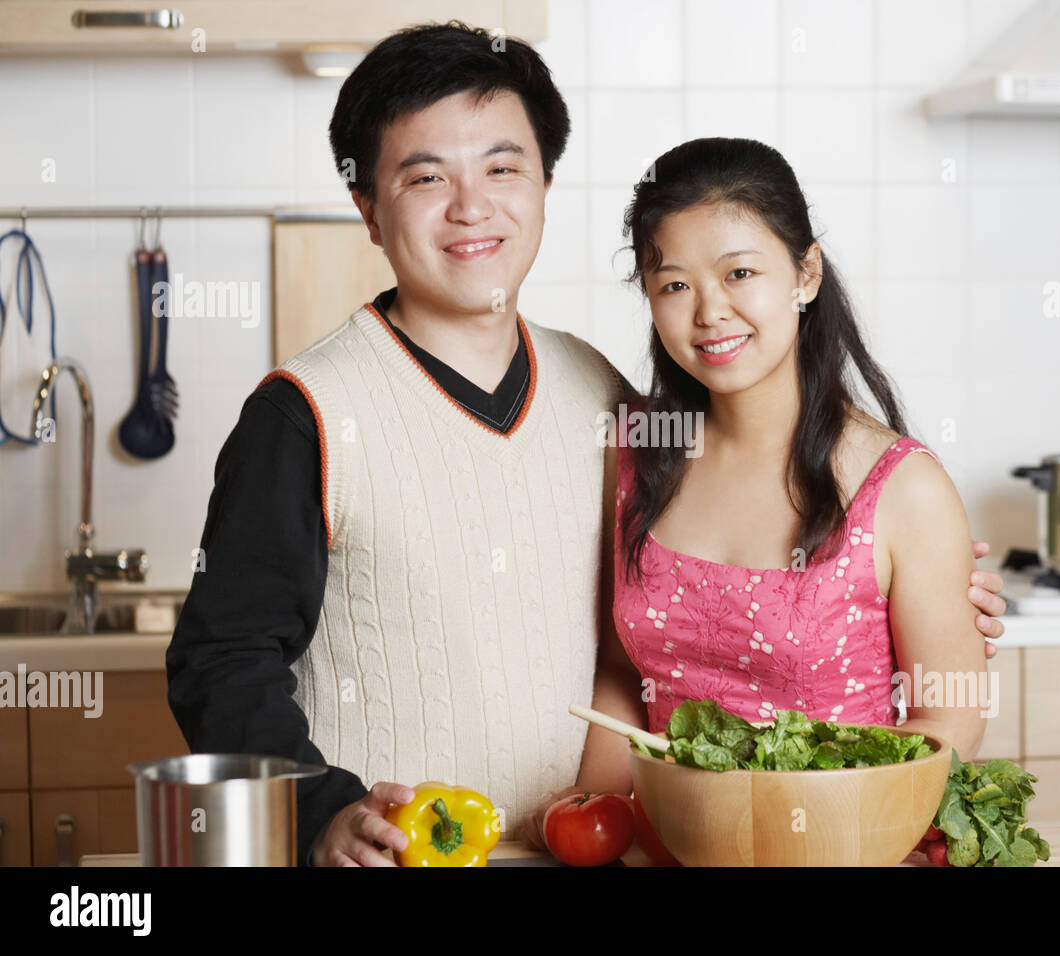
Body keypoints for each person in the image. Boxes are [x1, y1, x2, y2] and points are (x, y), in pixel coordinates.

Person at [166, 22, 1007, 868]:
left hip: (574, 853)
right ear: (369, 210)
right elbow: (221, 658)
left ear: (543, 185)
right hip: (406, 857)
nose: (471, 206)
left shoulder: (610, 404)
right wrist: (322, 813)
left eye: (501, 169)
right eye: (426, 177)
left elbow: (751, 567)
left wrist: (931, 579)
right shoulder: (304, 413)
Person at [520, 138, 992, 847]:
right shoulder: (639, 451)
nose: (710, 312)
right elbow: (625, 672)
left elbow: (947, 721)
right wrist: (599, 820)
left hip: (843, 851)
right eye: (674, 285)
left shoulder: (902, 488)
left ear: (805, 273)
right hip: (668, 847)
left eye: (740, 272)